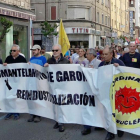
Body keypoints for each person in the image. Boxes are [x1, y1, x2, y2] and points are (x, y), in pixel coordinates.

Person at [98, 47, 125, 140]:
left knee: (118, 111)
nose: (104, 56)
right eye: (103, 54)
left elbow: (125, 74)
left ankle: (120, 128)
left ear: (111, 54)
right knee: (108, 112)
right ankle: (110, 132)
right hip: (106, 92)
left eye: (106, 54)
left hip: (117, 92)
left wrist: (119, 68)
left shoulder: (118, 62)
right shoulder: (101, 64)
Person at [44, 44, 70, 132]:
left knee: (61, 105)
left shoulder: (66, 61)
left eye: (56, 50)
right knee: (55, 104)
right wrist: (46, 66)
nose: (54, 52)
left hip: (62, 86)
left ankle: (61, 123)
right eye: (53, 50)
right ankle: (57, 120)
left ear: (60, 51)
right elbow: (45, 72)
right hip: (53, 86)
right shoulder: (49, 60)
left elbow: (70, 73)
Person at [3, 44, 27, 120]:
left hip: (18, 81)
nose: (12, 52)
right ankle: (10, 111)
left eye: (14, 50)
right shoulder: (8, 58)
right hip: (9, 81)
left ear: (18, 51)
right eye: (11, 50)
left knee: (16, 97)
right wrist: (4, 65)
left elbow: (25, 70)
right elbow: (4, 69)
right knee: (9, 96)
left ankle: (16, 112)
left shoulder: (22, 59)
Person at [81, 48, 101, 135]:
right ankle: (87, 127)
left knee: (96, 107)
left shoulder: (99, 63)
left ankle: (98, 124)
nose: (86, 55)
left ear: (92, 55)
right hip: (87, 89)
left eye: (88, 54)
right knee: (87, 107)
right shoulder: (86, 62)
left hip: (95, 89)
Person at [28, 44, 47, 123]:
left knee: (39, 98)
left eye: (35, 50)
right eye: (32, 50)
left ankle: (38, 115)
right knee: (32, 98)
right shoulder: (31, 58)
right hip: (32, 81)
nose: (33, 51)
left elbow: (45, 70)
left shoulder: (43, 58)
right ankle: (33, 114)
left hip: (40, 81)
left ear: (39, 50)